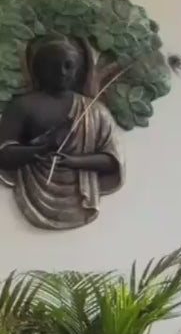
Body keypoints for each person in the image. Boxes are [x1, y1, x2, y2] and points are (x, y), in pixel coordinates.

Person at [0, 35, 123, 230]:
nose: (61, 72)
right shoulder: (21, 106)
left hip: (80, 195)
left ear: (78, 69)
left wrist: (74, 161)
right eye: (52, 66)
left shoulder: (95, 111)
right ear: (39, 69)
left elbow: (112, 160)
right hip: (34, 190)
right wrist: (40, 149)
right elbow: (4, 153)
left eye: (68, 65)